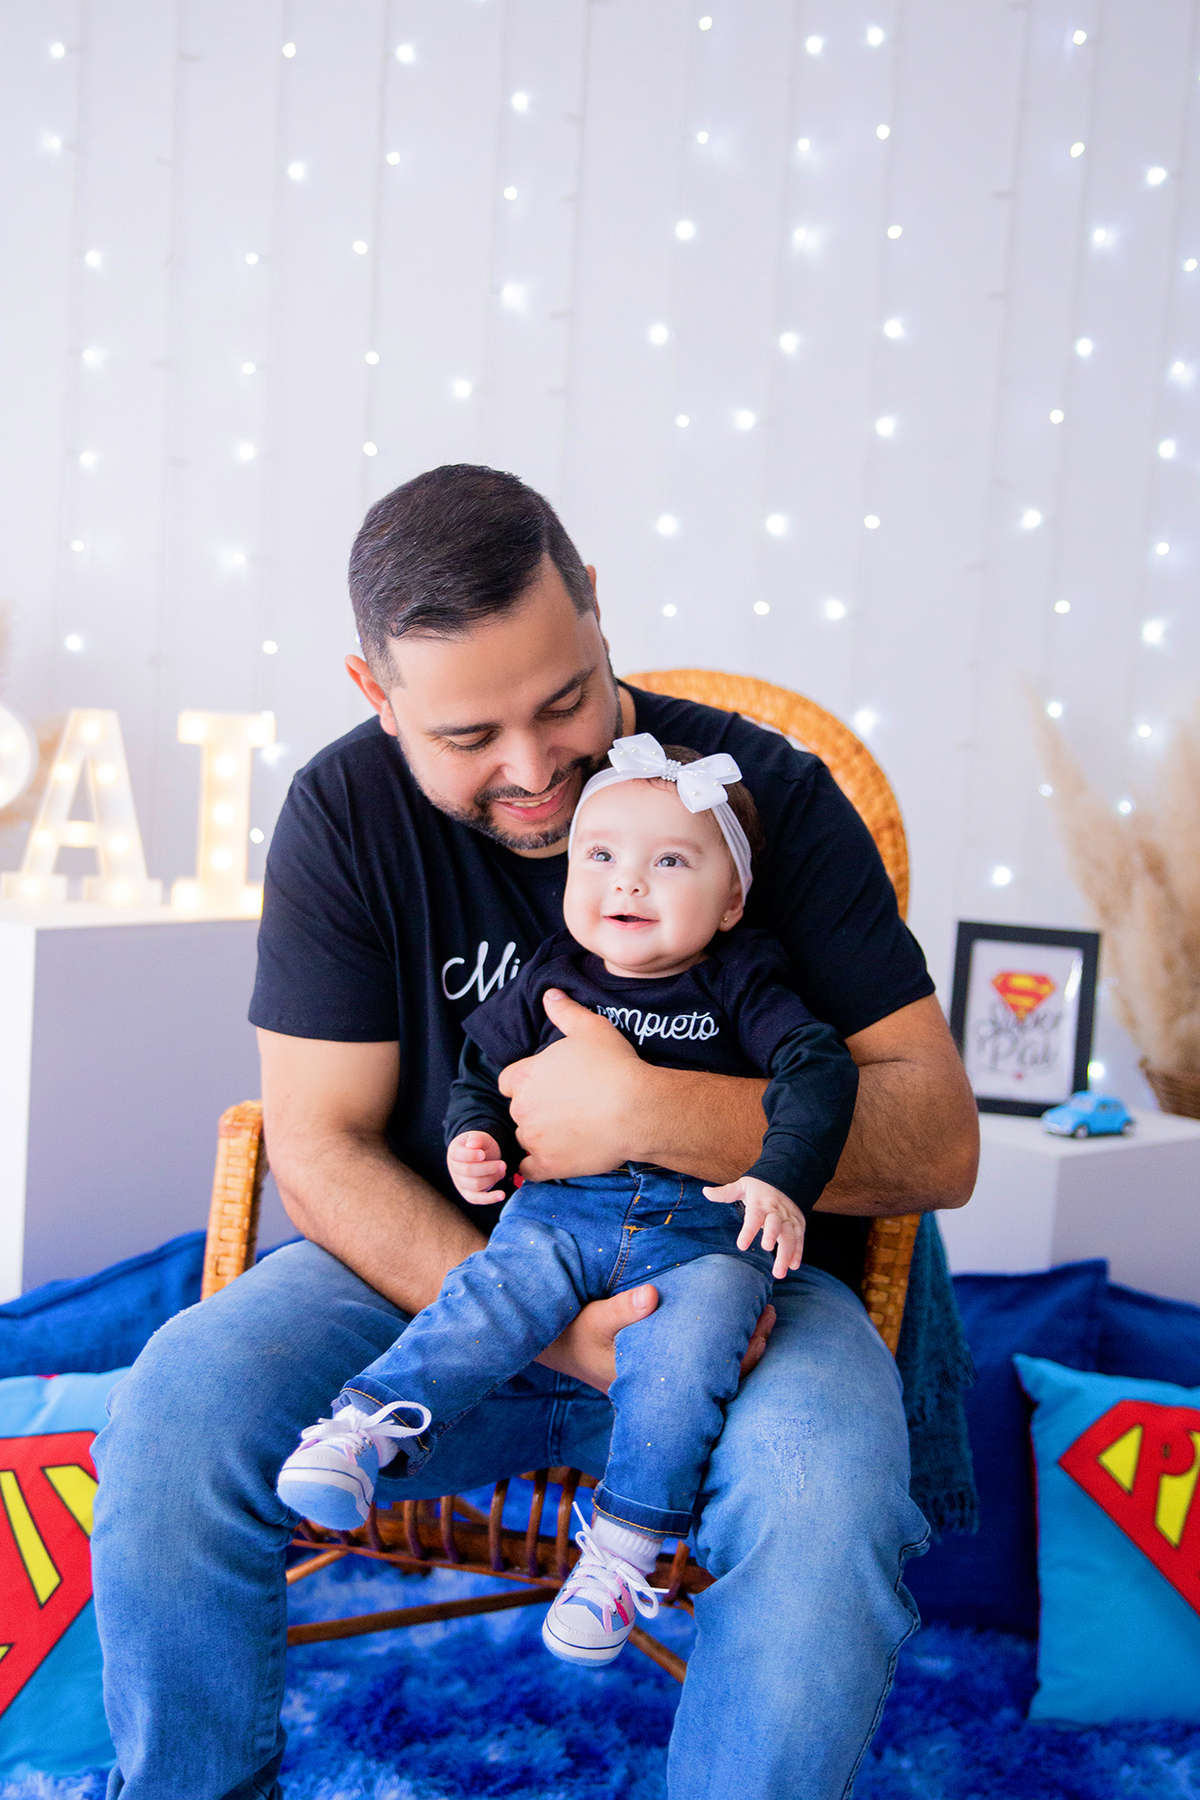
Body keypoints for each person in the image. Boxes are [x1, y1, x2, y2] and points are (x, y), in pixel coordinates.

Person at [91, 463, 979, 1800]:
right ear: (374, 692)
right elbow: (321, 1142)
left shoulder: (760, 800)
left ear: (595, 607)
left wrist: (653, 1110)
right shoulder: (346, 815)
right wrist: (547, 1327)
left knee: (828, 1496)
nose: (534, 771)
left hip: (744, 1297)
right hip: (440, 1287)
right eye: (466, 738)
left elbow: (939, 1140)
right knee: (173, 1412)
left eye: (563, 701)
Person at [275, 734, 861, 1669]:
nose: (628, 882)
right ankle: (367, 1427)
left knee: (687, 1358)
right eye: (602, 857)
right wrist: (479, 1137)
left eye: (670, 861)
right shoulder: (554, 972)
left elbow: (818, 1071)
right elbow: (483, 1067)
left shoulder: (742, 978)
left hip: (701, 1235)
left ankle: (623, 1553)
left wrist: (783, 1176)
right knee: (491, 1292)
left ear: (731, 900)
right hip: (564, 1214)